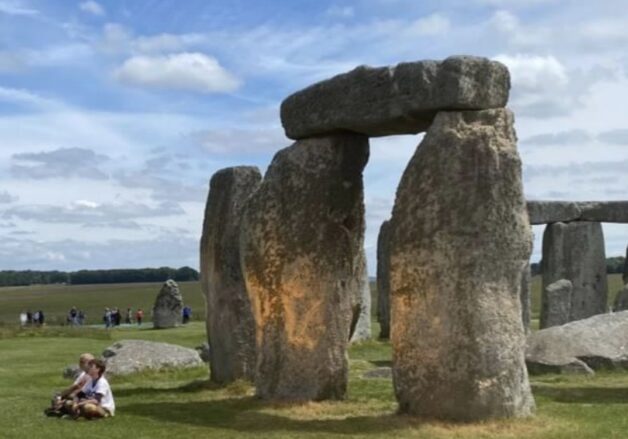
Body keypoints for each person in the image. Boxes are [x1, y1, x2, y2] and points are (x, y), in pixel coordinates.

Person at [44, 353, 94, 417]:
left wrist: (64, 397)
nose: (80, 364)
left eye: (82, 362)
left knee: (69, 399)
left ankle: (61, 410)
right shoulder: (83, 374)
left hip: (86, 397)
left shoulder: (91, 375)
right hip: (81, 395)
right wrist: (61, 395)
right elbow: (74, 386)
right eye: (80, 362)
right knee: (59, 396)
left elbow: (79, 389)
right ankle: (59, 409)